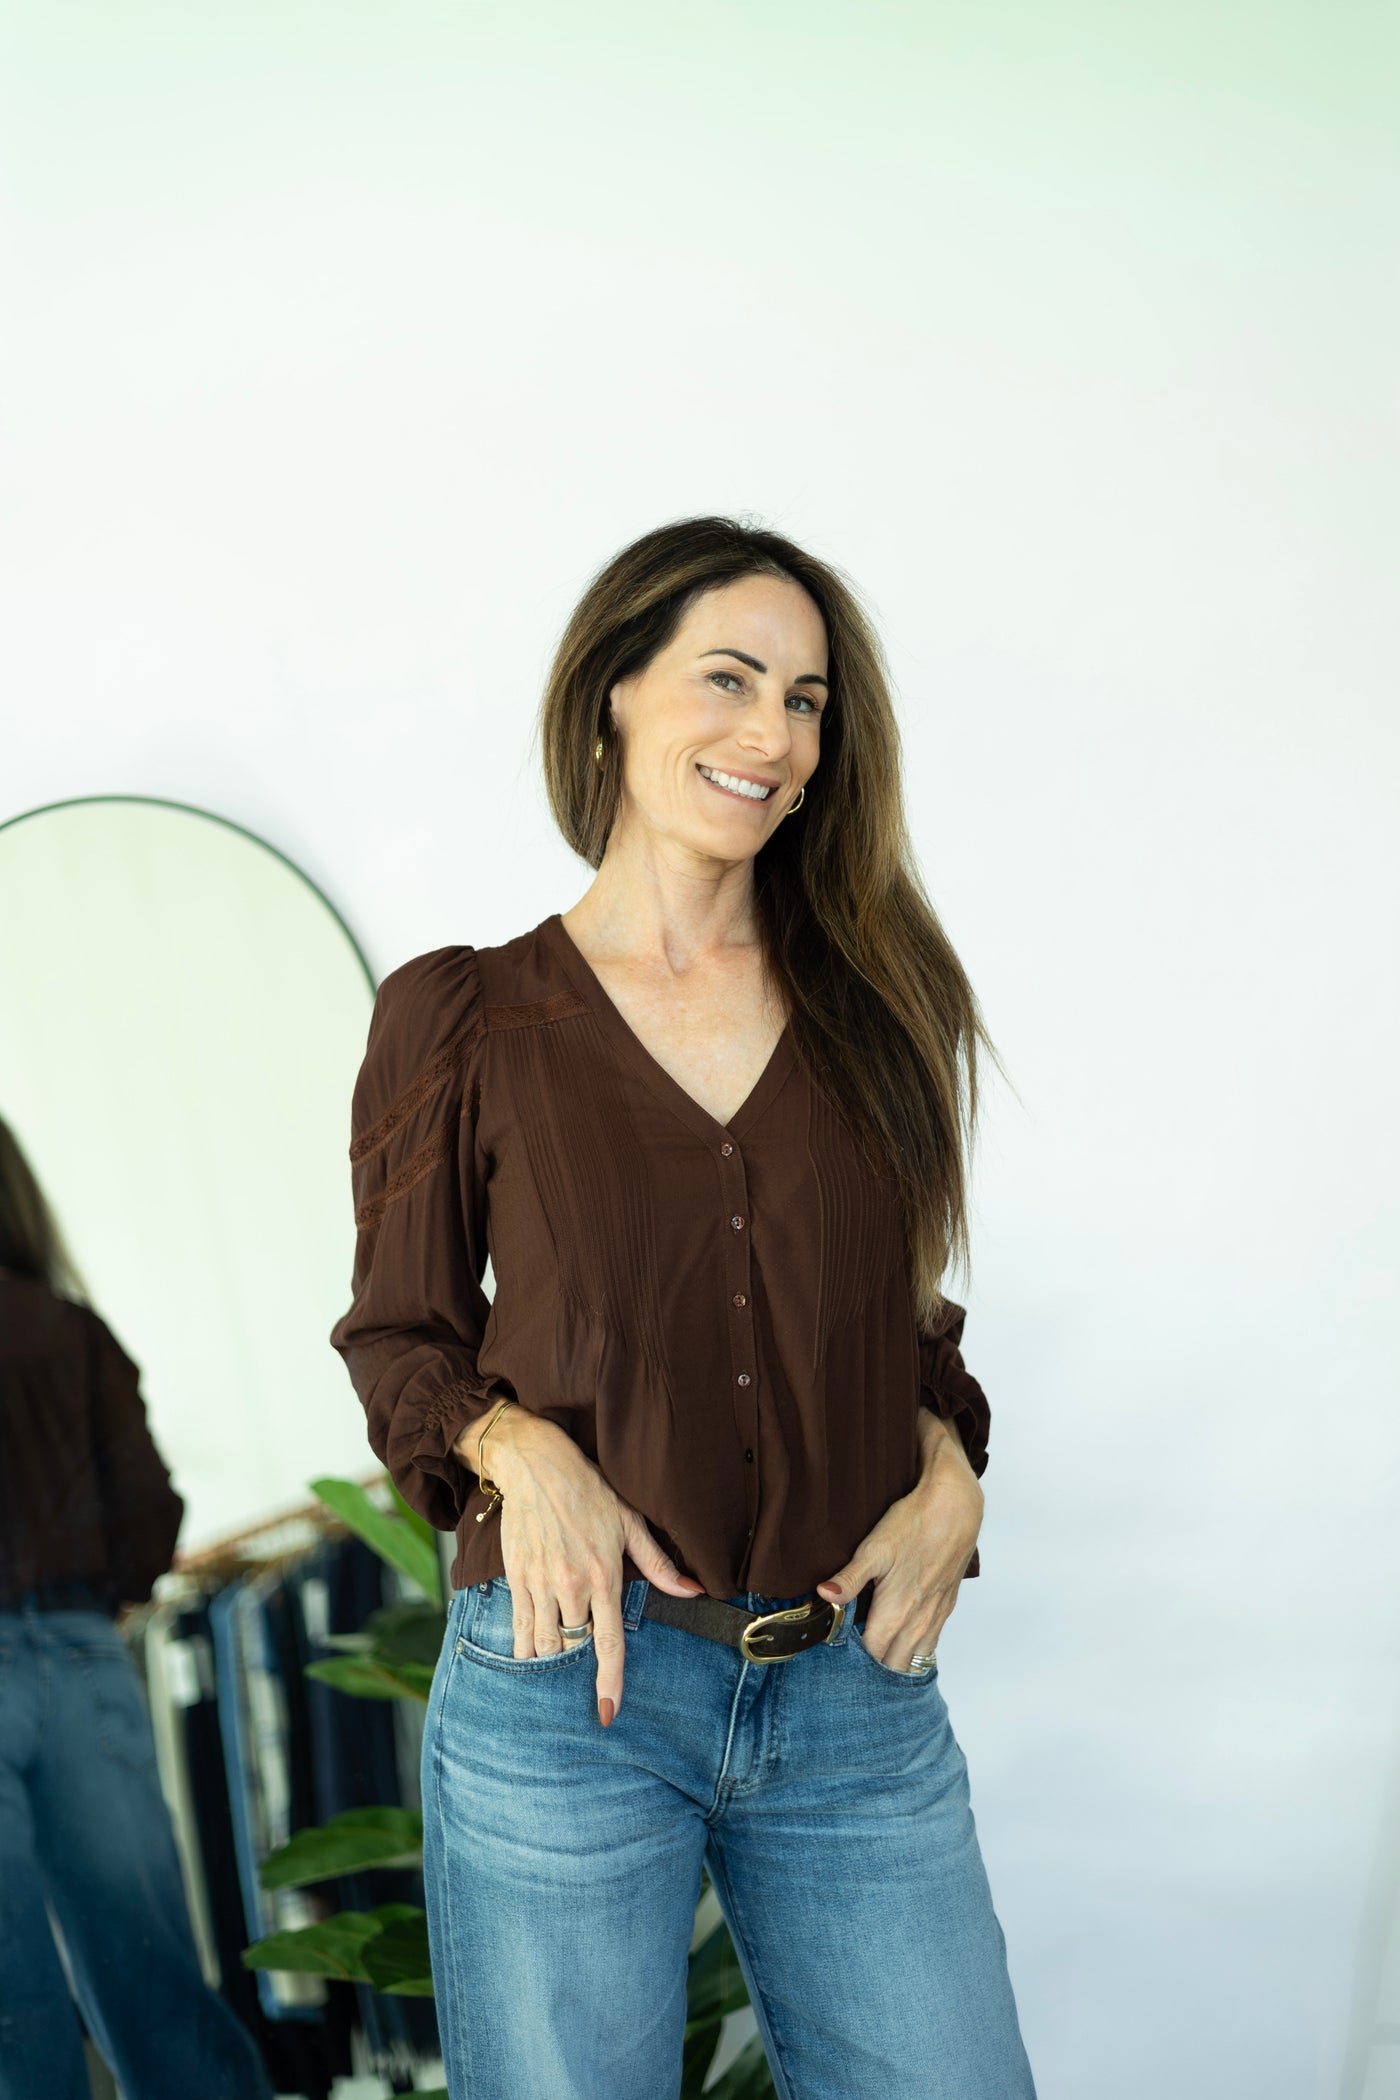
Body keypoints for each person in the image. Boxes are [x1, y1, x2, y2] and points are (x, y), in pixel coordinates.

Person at [330, 514, 1038, 2099]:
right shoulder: (463, 1017)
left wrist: (952, 1475)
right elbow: (401, 1339)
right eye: (729, 679)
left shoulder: (880, 1007)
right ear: (615, 696)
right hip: (566, 1687)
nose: (771, 735)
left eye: (805, 702)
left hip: (857, 1695)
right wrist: (522, 1450)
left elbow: (902, 1329)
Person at [0, 1115, 274, 2100]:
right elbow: (150, 1513)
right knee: (150, 1969)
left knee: (9, 2003)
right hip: (82, 1659)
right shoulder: (72, 1334)